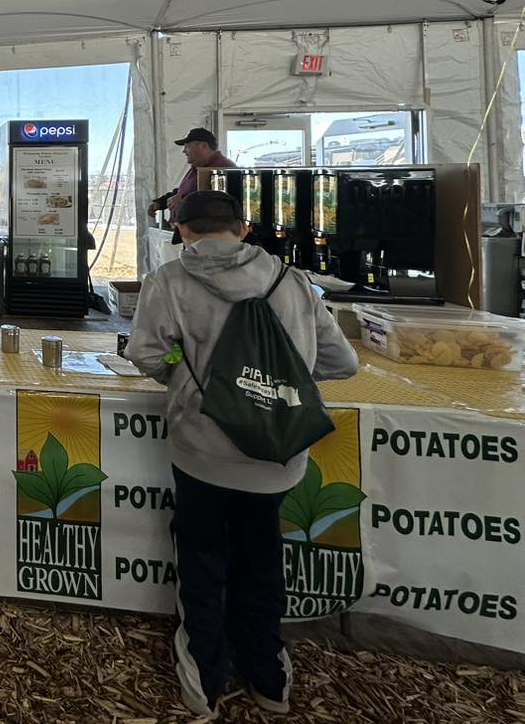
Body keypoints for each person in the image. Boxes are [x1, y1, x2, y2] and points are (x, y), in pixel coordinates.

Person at [125, 191, 358, 719]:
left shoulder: (169, 281)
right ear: (244, 228)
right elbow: (342, 363)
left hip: (201, 450)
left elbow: (145, 353)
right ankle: (268, 679)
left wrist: (183, 375)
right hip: (278, 455)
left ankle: (203, 681)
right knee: (261, 556)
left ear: (183, 232)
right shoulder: (293, 281)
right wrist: (275, 382)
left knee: (201, 559)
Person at [149, 127, 236, 223]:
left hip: (206, 230)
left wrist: (184, 201)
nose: (184, 151)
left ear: (203, 146)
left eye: (187, 146)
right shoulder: (198, 167)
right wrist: (161, 202)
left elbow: (219, 204)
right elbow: (184, 191)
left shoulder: (222, 168)